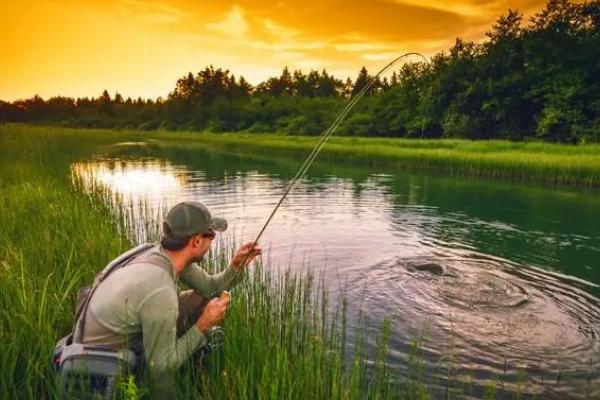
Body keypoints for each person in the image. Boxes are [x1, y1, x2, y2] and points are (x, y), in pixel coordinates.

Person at [76, 201, 261, 396]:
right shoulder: (160, 290)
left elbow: (210, 288)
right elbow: (160, 366)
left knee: (202, 299)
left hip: (107, 334)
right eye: (211, 236)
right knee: (164, 371)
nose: (212, 242)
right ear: (197, 241)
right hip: (101, 362)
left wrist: (235, 267)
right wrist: (203, 325)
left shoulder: (159, 253)